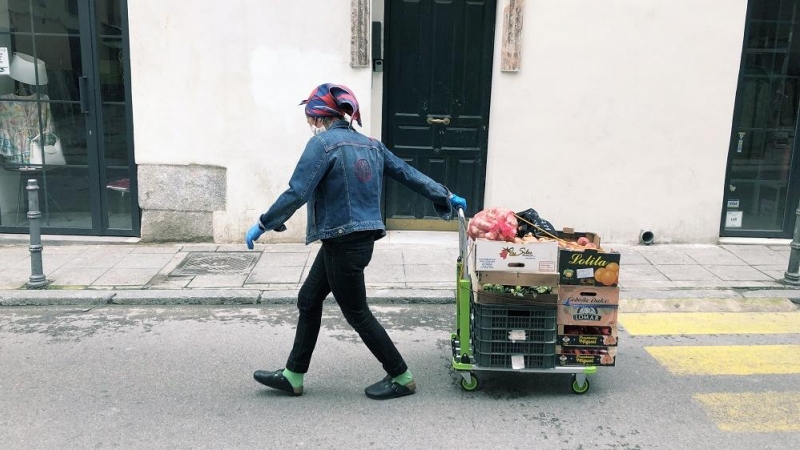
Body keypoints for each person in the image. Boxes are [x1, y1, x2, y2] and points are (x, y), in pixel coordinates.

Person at [245, 83, 467, 400]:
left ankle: (401, 376)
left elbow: (298, 191)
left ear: (317, 116)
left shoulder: (322, 145)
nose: (309, 124)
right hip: (349, 241)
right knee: (308, 299)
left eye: (309, 117)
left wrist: (264, 223)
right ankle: (294, 375)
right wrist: (446, 195)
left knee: (357, 313)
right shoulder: (371, 145)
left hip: (343, 242)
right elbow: (407, 173)